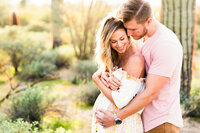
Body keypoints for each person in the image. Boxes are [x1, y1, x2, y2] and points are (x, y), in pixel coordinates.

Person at [95, 0, 184, 133]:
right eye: (127, 28)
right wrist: (104, 72)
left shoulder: (166, 45)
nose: (129, 33)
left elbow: (150, 93)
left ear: (148, 21)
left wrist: (116, 118)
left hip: (161, 123)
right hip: (140, 119)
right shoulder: (140, 36)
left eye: (133, 29)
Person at [91, 16, 146, 133]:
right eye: (113, 41)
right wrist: (102, 73)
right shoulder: (116, 55)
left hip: (123, 125)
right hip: (109, 126)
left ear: (128, 35)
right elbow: (105, 71)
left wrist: (96, 79)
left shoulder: (135, 60)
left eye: (122, 38)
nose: (119, 45)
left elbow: (121, 101)